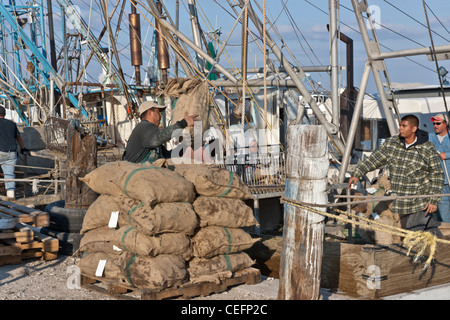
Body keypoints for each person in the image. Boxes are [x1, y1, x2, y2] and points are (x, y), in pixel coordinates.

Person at [347, 114, 445, 235]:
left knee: (413, 231)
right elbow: (374, 160)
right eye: (400, 125)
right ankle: (443, 249)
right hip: (402, 202)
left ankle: (421, 252)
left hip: (420, 201)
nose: (400, 128)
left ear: (414, 129)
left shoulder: (426, 148)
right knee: (427, 229)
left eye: (404, 126)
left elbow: (437, 175)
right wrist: (357, 173)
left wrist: (433, 199)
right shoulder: (392, 144)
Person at [123, 100, 198, 164]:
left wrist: (182, 150)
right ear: (149, 112)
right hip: (140, 173)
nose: (160, 116)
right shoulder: (144, 126)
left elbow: (166, 155)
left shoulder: (149, 134)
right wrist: (183, 123)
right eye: (158, 112)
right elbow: (157, 138)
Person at [0, 106, 28, 199]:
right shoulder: (12, 124)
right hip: (11, 153)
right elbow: (19, 138)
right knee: (9, 176)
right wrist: (23, 148)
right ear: (4, 114)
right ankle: (11, 200)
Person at [429, 113, 450, 223]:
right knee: (443, 211)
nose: (435, 126)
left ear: (446, 124)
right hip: (439, 182)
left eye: (438, 123)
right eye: (434, 124)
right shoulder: (430, 137)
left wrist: (447, 155)